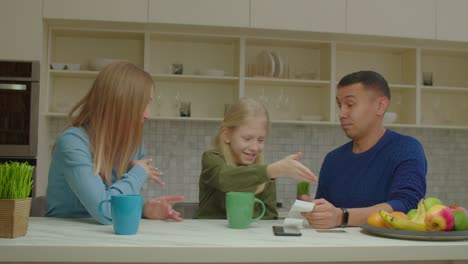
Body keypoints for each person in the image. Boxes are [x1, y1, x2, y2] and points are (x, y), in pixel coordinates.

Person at [46, 62, 184, 224]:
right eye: (142, 104)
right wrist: (137, 172)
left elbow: (119, 207)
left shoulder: (133, 146)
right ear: (119, 104)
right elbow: (106, 211)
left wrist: (144, 210)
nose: (148, 115)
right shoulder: (73, 143)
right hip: (65, 240)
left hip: (106, 238)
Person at [300, 71, 427, 228]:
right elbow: (327, 213)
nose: (341, 114)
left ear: (380, 106)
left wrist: (343, 217)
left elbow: (407, 204)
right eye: (340, 106)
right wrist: (314, 211)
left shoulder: (407, 149)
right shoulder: (333, 159)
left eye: (350, 105)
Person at [195, 98, 318, 219]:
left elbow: (269, 216)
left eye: (260, 140)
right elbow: (224, 178)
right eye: (247, 139)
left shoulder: (264, 172)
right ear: (226, 135)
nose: (255, 147)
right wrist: (272, 170)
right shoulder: (212, 158)